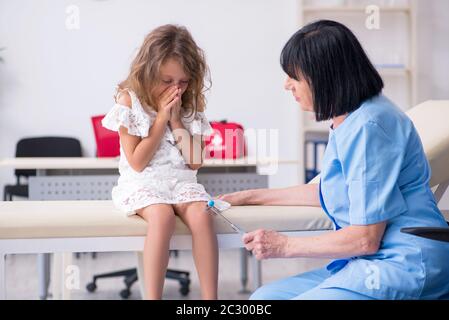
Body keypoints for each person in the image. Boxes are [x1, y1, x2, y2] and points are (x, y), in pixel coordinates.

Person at [218, 20, 449, 300]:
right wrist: (252, 196)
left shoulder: (369, 126)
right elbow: (332, 188)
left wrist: (284, 245)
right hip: (373, 260)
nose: (286, 84)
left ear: (325, 77)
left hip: (404, 262)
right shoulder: (348, 118)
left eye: (294, 76)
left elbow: (365, 239)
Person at [102, 24, 217, 300]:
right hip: (143, 182)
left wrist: (177, 120)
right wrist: (161, 120)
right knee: (162, 216)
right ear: (148, 71)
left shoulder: (191, 104)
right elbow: (138, 162)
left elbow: (195, 162)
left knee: (202, 214)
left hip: (181, 182)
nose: (175, 89)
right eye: (167, 81)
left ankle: (211, 299)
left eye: (183, 81)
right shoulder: (130, 100)